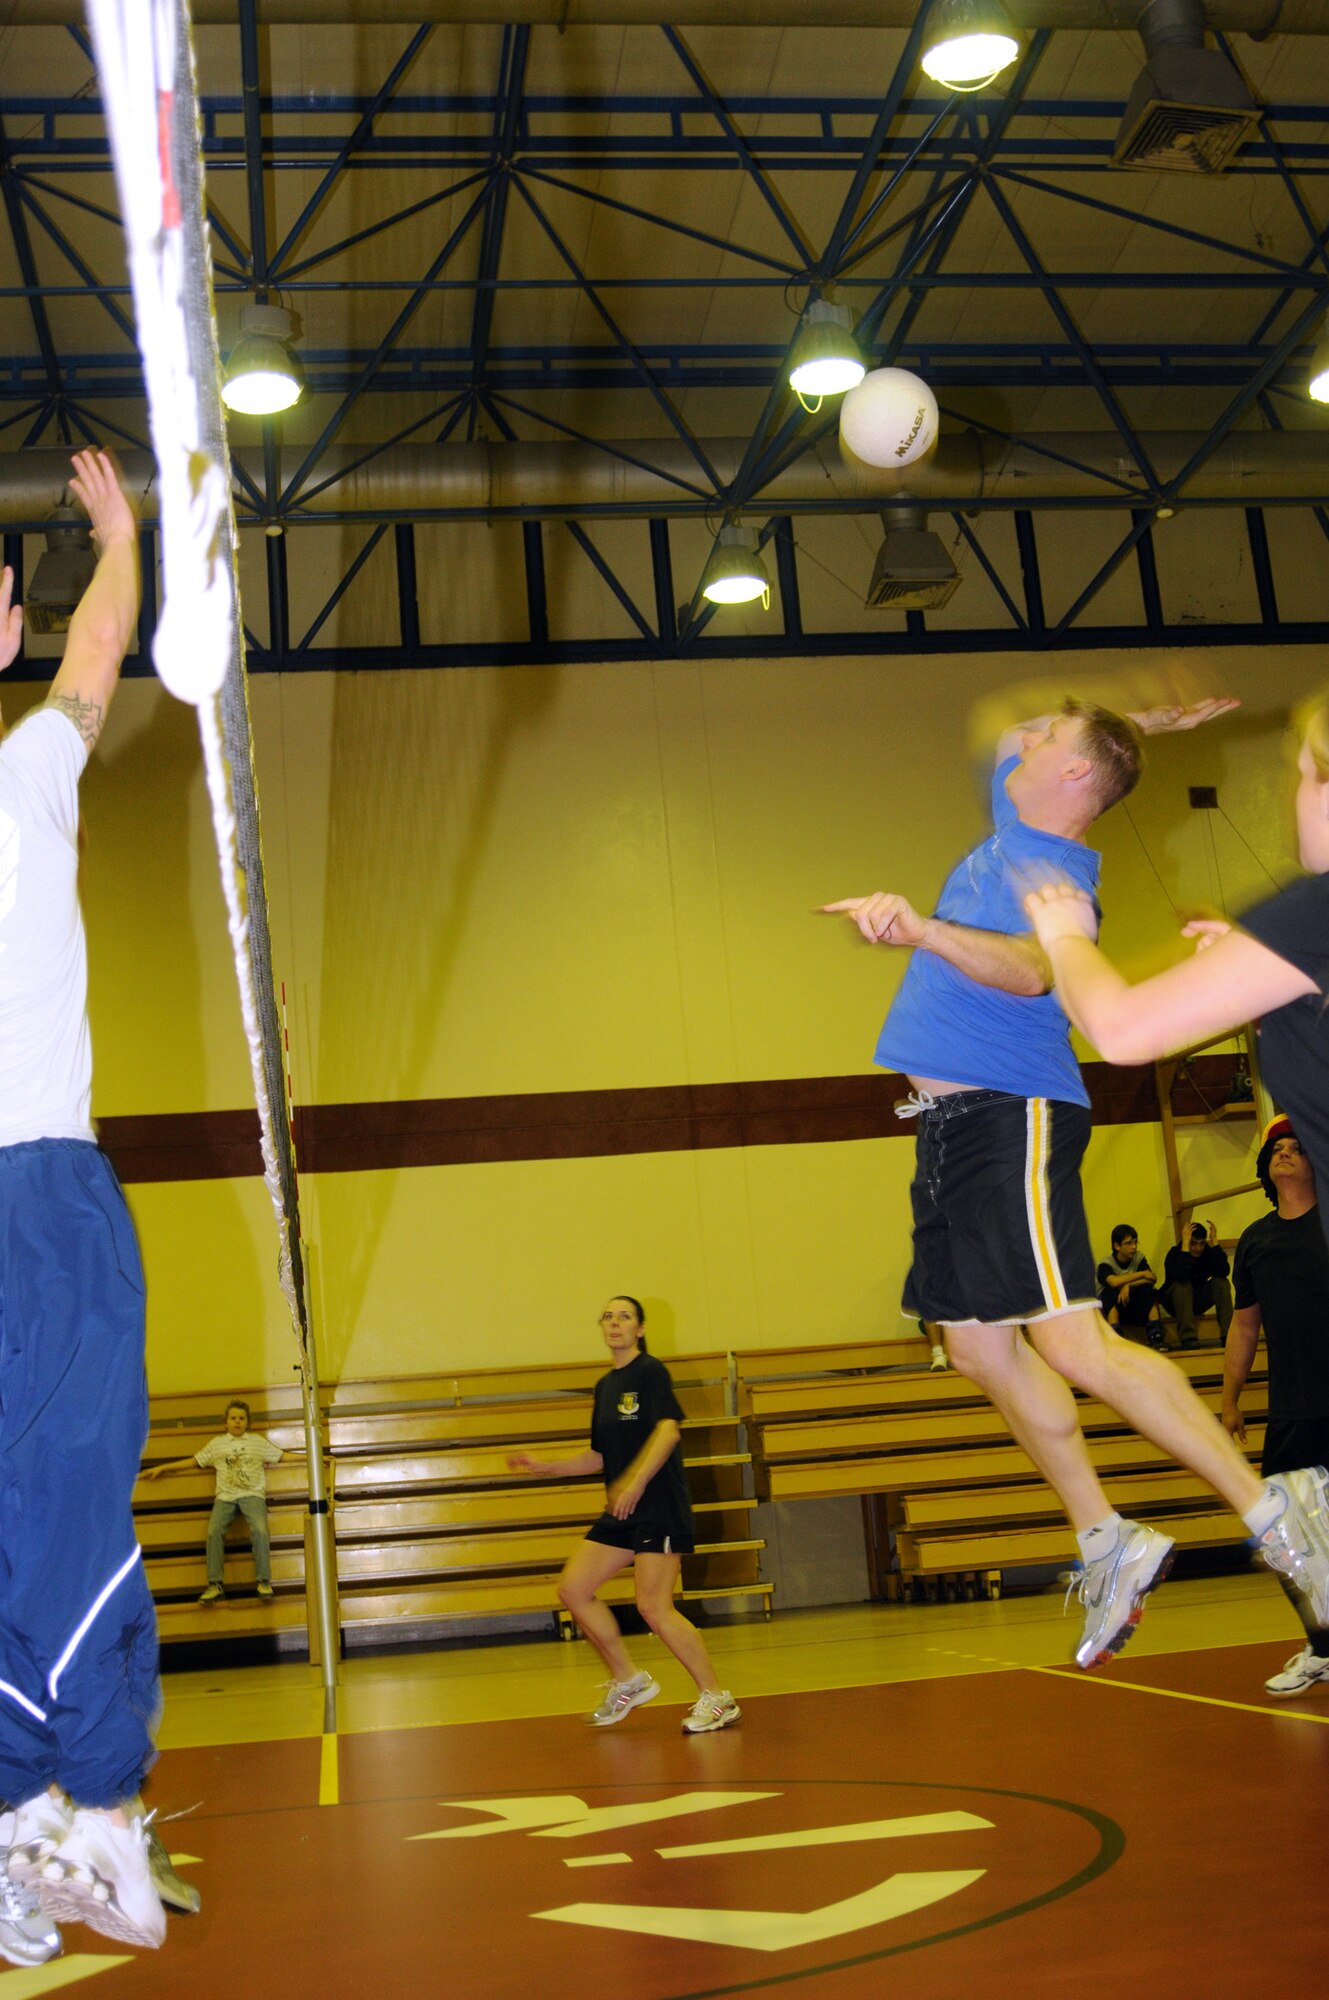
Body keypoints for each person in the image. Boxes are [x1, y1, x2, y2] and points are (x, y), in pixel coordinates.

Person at [825, 694, 1329, 1670]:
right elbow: (1003, 726)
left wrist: (922, 931)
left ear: (1069, 780)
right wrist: (1131, 713)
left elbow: (1030, 969)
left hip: (1011, 1112)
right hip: (946, 1132)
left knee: (1070, 1338)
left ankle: (1275, 1507)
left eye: (1050, 738)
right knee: (974, 1346)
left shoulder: (1048, 864)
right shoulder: (1015, 822)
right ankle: (1106, 1533)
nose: (1027, 735)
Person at [1019, 690, 1329, 1654]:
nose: (1294, 796)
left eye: (1305, 773)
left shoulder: (1320, 907)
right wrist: (1261, 984)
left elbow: (1120, 1031)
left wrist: (1063, 928)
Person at [0, 452, 166, 1955]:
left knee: (39, 1504)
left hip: (30, 1190)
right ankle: (69, 1813)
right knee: (49, 1498)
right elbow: (96, 651)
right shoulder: (24, 768)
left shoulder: (24, 774)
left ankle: (52, 1813)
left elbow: (95, 656)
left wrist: (117, 544)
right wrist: (118, 537)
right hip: (31, 1198)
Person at [509, 1296, 740, 1733]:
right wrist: (547, 1465)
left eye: (625, 1317)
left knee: (653, 1605)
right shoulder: (605, 1386)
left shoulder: (650, 1372)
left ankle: (717, 1697)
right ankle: (628, 1679)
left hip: (658, 1505)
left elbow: (668, 1430)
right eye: (609, 1317)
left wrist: (634, 1481)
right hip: (621, 1510)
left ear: (640, 1329)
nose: (615, 1323)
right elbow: (598, 1456)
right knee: (574, 1590)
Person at [1224, 1117, 1329, 1698]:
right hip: (1293, 1409)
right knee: (1286, 1534)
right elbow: (1243, 1330)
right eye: (1276, 1151)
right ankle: (1322, 1647)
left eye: (1296, 1148)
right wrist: (1230, 1401)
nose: (1285, 1156)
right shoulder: (1258, 1241)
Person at [142, 1400, 284, 1602]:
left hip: (252, 1495)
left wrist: (314, 1458)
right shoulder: (217, 1444)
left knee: (261, 1530)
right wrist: (163, 1468)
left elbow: (282, 1456)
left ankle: (263, 1582)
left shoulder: (257, 1442)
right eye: (233, 1418)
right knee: (213, 1532)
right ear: (225, 1422)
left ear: (248, 1422)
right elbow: (194, 1461)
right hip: (225, 1498)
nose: (237, 1422)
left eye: (241, 1418)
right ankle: (215, 1584)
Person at [1160, 1219, 1233, 1348]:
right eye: (1193, 1244)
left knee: (1221, 1282)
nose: (1198, 1248)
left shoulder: (1207, 1253)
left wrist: (1215, 1243)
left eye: (1201, 1244)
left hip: (1197, 1300)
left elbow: (1223, 1271)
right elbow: (1181, 1276)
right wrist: (1186, 1248)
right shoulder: (1174, 1253)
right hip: (1175, 1302)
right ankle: (1188, 1338)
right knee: (1182, 1285)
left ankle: (1229, 1336)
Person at [1097, 1225, 1164, 1347]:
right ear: (1117, 1246)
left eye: (1135, 1242)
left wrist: (1128, 1285)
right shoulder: (1105, 1264)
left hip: (1135, 1306)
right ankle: (1115, 1336)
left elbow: (1152, 1278)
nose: (1133, 1247)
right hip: (1116, 1309)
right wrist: (1142, 1273)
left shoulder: (1139, 1257)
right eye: (1128, 1243)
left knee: (1149, 1290)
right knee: (1109, 1292)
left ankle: (1155, 1334)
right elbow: (1114, 1282)